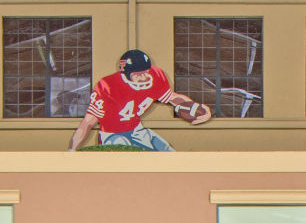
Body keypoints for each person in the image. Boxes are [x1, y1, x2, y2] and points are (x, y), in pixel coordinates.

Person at [70, 48, 212, 151]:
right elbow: (88, 122)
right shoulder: (107, 86)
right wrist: (72, 150)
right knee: (125, 156)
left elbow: (172, 98)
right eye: (138, 74)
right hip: (112, 134)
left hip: (137, 130)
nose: (144, 77)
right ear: (126, 74)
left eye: (145, 72)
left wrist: (195, 108)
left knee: (169, 155)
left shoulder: (156, 75)